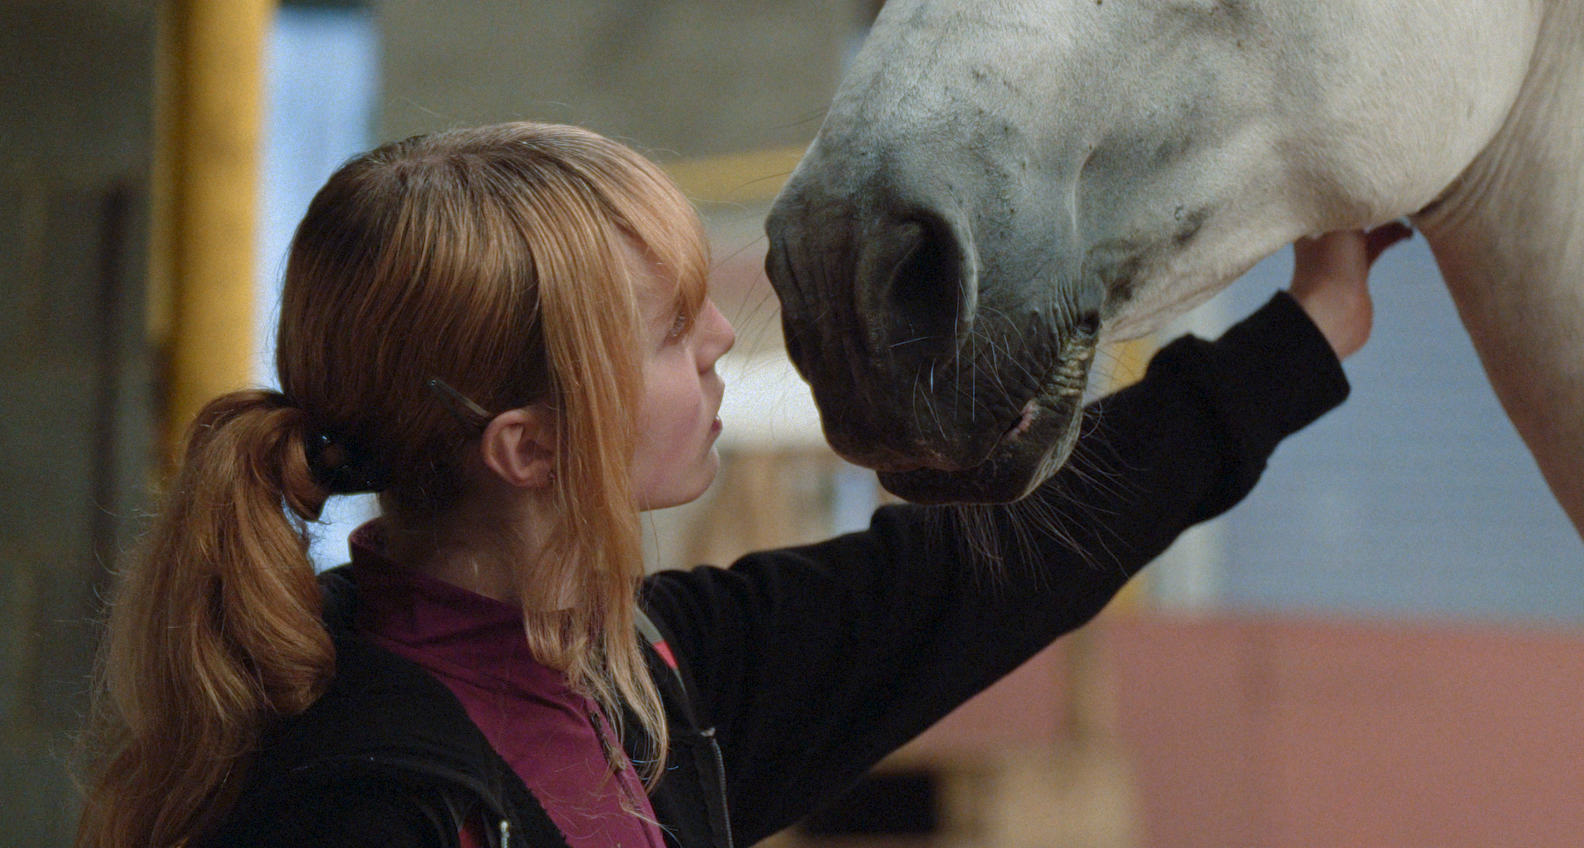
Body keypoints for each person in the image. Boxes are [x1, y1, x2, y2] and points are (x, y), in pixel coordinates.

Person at [73, 122, 1409, 848]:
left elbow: (970, 574)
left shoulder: (646, 677)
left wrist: (1310, 330)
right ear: (529, 446)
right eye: (669, 331)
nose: (721, 339)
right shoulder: (368, 799)